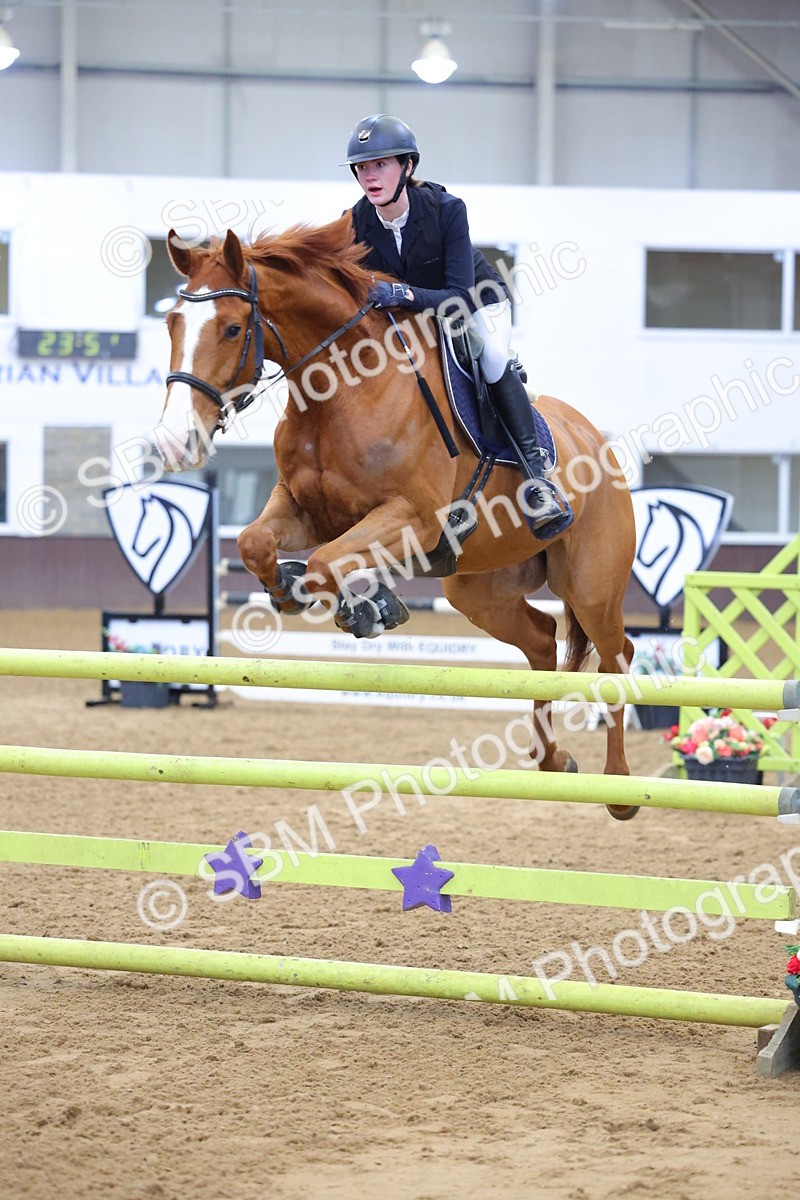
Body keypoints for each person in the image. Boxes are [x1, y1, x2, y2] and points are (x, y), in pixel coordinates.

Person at [343, 113, 562, 533]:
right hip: (411, 316)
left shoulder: (446, 210)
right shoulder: (355, 221)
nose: (369, 175)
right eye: (362, 167)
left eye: (381, 164)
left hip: (476, 302)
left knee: (493, 356)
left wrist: (405, 294)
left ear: (407, 166)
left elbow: (459, 293)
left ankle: (537, 480)